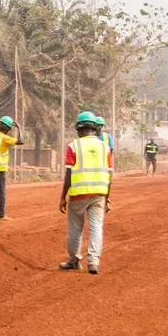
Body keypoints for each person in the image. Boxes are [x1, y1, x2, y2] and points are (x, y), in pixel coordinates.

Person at [59, 111, 111, 274]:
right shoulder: (105, 147)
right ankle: (93, 262)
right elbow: (109, 174)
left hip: (79, 194)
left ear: (78, 129)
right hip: (99, 194)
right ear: (94, 129)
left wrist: (62, 196)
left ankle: (73, 260)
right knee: (96, 227)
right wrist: (107, 197)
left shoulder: (74, 146)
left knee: (75, 228)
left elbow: (69, 174)